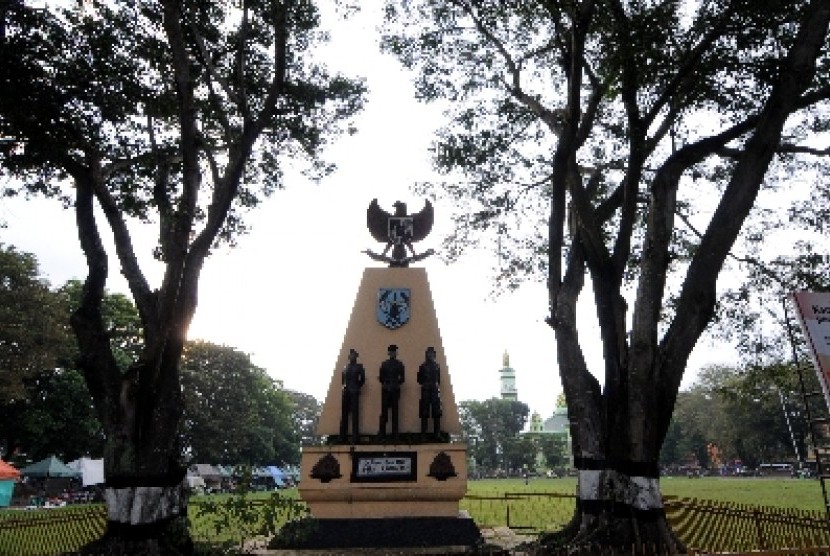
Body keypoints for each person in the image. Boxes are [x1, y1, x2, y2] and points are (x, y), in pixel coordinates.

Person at [378, 344, 405, 437]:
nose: (393, 354)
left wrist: (396, 384)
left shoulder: (400, 364)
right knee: (384, 412)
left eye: (394, 352)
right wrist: (386, 384)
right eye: (391, 352)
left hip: (395, 390)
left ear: (396, 353)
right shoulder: (384, 364)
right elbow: (381, 377)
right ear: (389, 353)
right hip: (386, 389)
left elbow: (403, 378)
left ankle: (395, 433)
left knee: (395, 412)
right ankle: (382, 433)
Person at [340, 348, 365, 444]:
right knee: (344, 415)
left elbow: (362, 379)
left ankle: (355, 437)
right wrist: (344, 387)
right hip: (346, 391)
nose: (352, 357)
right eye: (351, 355)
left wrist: (357, 386)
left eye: (354, 355)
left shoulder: (359, 367)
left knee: (355, 415)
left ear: (356, 357)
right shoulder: (345, 367)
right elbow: (343, 379)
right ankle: (342, 436)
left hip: (354, 391)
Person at [417, 346, 442, 436]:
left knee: (437, 412)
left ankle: (437, 434)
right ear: (426, 355)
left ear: (434, 355)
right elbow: (419, 380)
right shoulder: (422, 366)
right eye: (429, 353)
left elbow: (438, 379)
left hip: (435, 390)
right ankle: (423, 434)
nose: (430, 355)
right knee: (424, 411)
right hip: (426, 390)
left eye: (432, 353)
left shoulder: (437, 366)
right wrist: (426, 384)